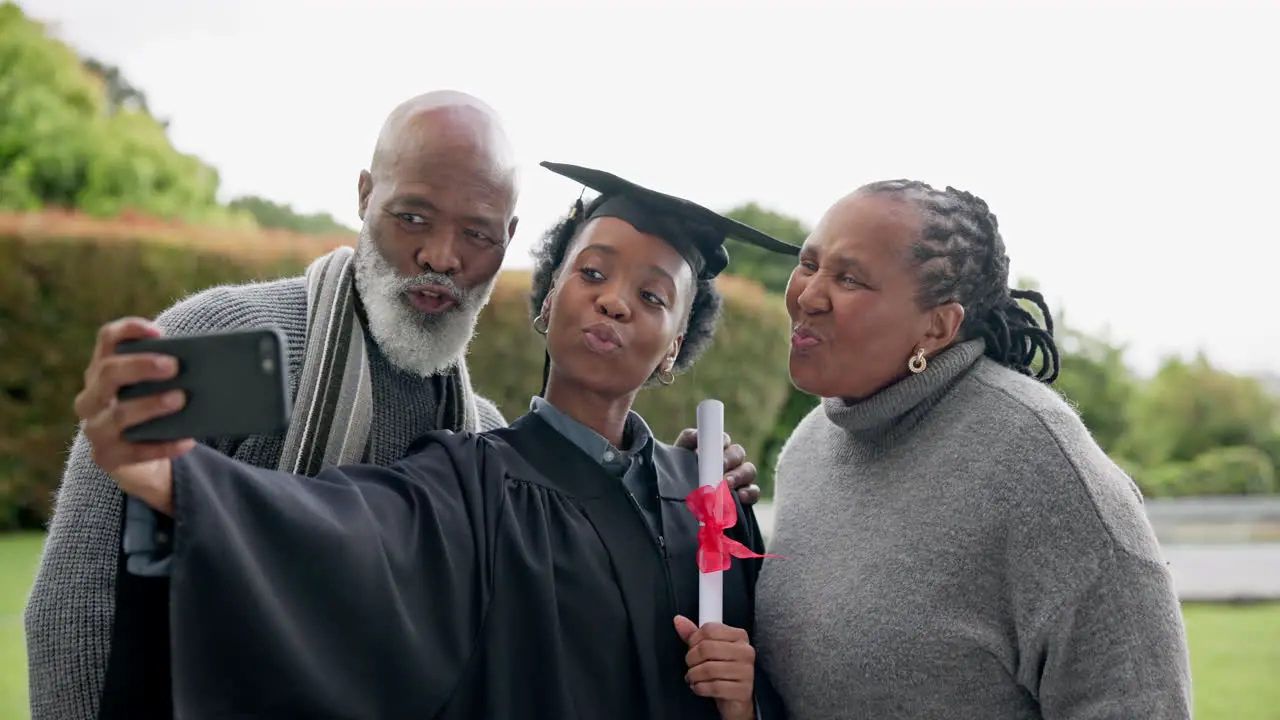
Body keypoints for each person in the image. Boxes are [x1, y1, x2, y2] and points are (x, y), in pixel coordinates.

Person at [24, 94, 761, 720]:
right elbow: (340, 531)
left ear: (505, 245)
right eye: (413, 217)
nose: (441, 255)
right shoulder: (246, 341)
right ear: (364, 196)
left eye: (474, 233)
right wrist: (171, 477)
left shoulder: (481, 426)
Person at [753, 180, 1192, 719]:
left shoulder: (1040, 463)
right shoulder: (809, 448)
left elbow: (1141, 703)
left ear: (938, 326)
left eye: (850, 278)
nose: (808, 295)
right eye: (809, 262)